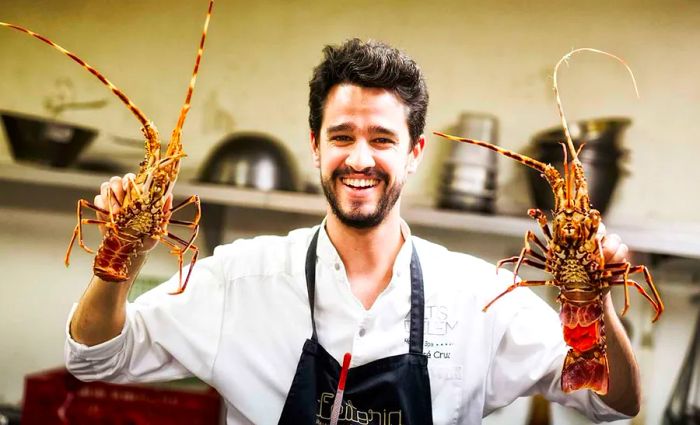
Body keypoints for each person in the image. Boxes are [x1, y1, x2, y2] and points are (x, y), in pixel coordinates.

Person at [66, 39, 640, 424]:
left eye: (382, 139)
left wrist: (600, 302)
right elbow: (95, 358)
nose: (359, 159)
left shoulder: (482, 297)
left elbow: (615, 402)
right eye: (341, 137)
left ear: (414, 153)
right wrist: (121, 260)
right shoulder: (239, 278)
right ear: (315, 146)